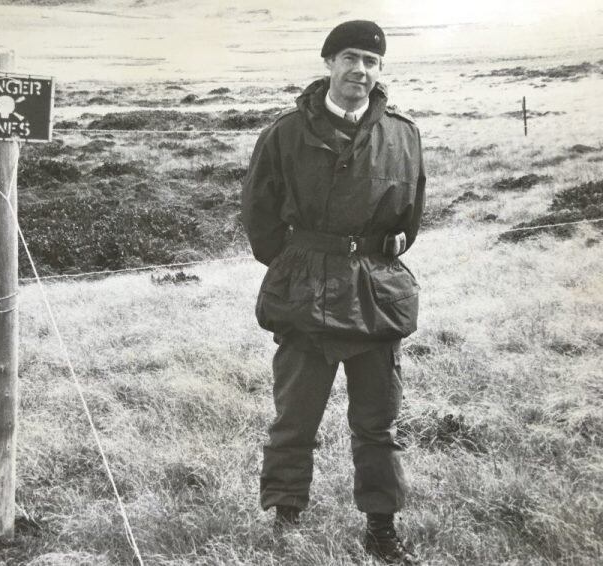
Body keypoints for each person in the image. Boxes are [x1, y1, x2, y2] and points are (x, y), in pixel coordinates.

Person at [241, 20, 426, 565]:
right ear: (328, 63)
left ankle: (382, 528)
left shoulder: (403, 134)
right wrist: (302, 262)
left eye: (371, 62)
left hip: (376, 297)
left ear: (380, 71)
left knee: (377, 424)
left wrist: (372, 251)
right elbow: (260, 219)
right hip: (304, 294)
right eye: (349, 58)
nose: (360, 71)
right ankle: (286, 519)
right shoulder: (284, 133)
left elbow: (409, 219)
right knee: (294, 419)